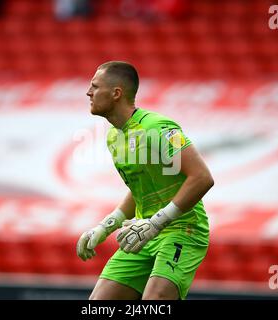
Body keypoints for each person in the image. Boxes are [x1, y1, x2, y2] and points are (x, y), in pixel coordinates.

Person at [76, 61, 214, 300]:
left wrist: (156, 223)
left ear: (116, 93)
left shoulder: (158, 128)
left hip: (182, 230)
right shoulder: (113, 137)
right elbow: (139, 188)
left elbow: (202, 178)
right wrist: (107, 225)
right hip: (143, 231)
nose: (88, 92)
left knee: (155, 302)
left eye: (95, 87)